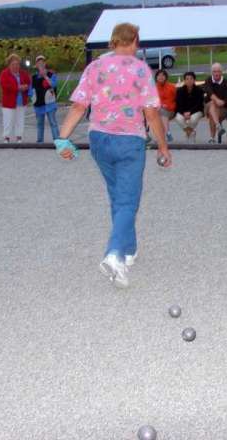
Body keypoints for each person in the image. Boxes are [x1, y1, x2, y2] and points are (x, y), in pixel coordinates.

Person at [55, 22, 171, 289]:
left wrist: (62, 138)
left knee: (119, 196)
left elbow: (78, 106)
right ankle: (114, 254)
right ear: (134, 42)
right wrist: (163, 146)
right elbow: (151, 113)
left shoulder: (94, 67)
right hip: (129, 141)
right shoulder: (141, 70)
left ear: (113, 41)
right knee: (128, 201)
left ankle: (129, 250)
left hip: (100, 140)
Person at [0, 53, 31, 143]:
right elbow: (4, 86)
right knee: (8, 120)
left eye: (17, 64)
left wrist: (26, 87)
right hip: (8, 102)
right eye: (13, 64)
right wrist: (18, 88)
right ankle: (6, 137)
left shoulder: (23, 73)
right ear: (9, 65)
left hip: (21, 101)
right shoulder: (4, 74)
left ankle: (19, 137)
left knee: (20, 120)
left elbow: (29, 82)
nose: (15, 66)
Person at [31, 55, 60, 143]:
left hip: (50, 104)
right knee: (40, 124)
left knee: (53, 123)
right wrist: (32, 97)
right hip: (38, 104)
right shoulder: (33, 77)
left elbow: (53, 85)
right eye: (38, 63)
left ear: (45, 64)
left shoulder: (51, 75)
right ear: (36, 65)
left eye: (42, 63)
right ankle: (40, 141)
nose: (41, 65)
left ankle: (57, 140)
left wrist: (45, 76)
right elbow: (30, 89)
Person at [203, 62, 227, 143]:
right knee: (212, 104)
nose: (216, 73)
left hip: (222, 108)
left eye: (218, 71)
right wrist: (217, 100)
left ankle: (212, 138)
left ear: (221, 72)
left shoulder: (226, 83)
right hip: (208, 106)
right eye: (214, 71)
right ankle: (218, 126)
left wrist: (222, 103)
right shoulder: (208, 80)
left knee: (213, 113)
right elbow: (209, 92)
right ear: (212, 72)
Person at [174, 71, 205, 142]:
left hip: (197, 111)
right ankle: (191, 132)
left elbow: (199, 105)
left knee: (193, 119)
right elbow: (178, 104)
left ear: (194, 80)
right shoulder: (180, 91)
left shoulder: (199, 90)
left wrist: (190, 112)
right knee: (178, 118)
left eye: (191, 79)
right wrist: (184, 113)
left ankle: (188, 133)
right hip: (183, 111)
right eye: (187, 79)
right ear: (184, 81)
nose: (189, 81)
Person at [154, 68, 176, 142]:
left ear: (166, 77)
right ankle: (165, 134)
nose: (161, 77)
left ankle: (166, 133)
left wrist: (167, 105)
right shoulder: (153, 88)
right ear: (156, 77)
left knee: (162, 111)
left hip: (170, 110)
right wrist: (160, 105)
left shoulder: (172, 87)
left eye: (163, 75)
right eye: (159, 75)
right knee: (157, 113)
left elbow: (176, 100)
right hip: (158, 110)